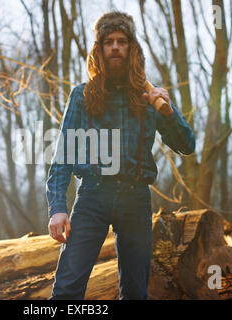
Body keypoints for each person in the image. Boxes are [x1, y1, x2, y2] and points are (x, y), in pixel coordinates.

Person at [45, 11, 195, 300]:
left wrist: (169, 109)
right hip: (92, 196)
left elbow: (186, 145)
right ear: (99, 50)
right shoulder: (82, 95)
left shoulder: (148, 96)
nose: (115, 47)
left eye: (122, 41)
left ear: (131, 49)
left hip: (135, 197)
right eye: (109, 42)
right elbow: (62, 155)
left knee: (136, 293)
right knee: (66, 289)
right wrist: (57, 208)